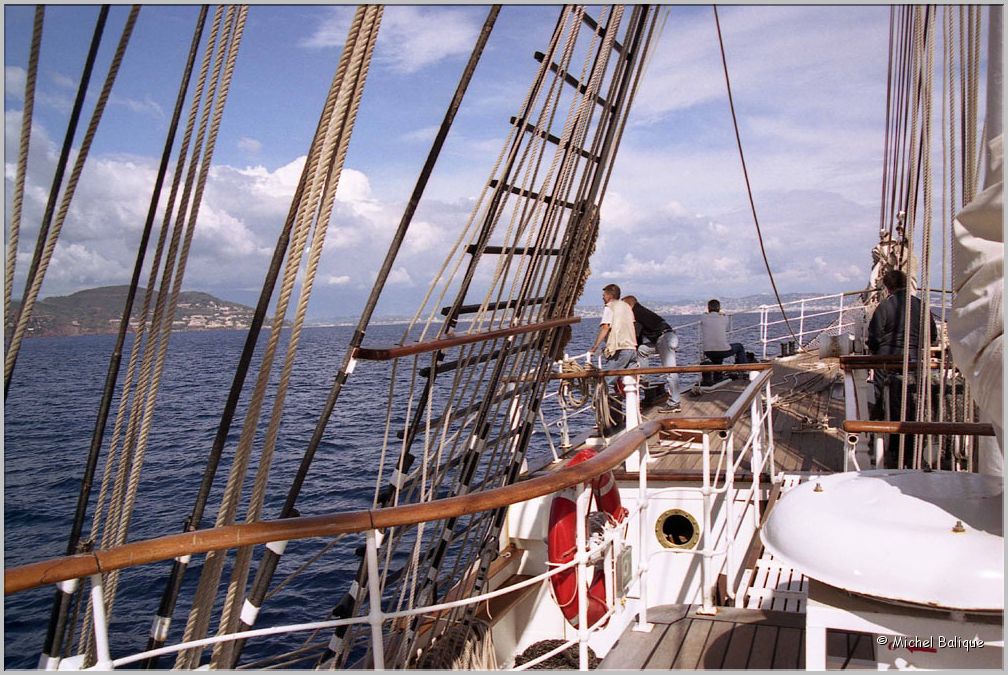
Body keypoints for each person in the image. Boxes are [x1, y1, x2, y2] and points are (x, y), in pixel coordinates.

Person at [867, 268, 937, 468]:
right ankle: (914, 445)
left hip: (887, 361)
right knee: (913, 399)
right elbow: (931, 336)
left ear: (888, 287)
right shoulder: (921, 306)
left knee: (883, 399)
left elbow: (875, 337)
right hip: (914, 361)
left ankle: (882, 436)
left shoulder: (884, 306)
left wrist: (874, 352)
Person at [623, 295, 681, 414]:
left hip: (665, 339)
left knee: (670, 371)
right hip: (664, 339)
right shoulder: (641, 311)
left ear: (629, 305)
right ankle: (644, 377)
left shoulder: (636, 313)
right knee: (642, 350)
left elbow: (636, 335)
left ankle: (675, 402)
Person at [589, 284, 637, 385]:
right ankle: (627, 400)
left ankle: (600, 399)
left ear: (610, 296)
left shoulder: (610, 307)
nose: (602, 297)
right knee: (630, 383)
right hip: (632, 348)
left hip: (621, 349)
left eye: (604, 295)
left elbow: (605, 327)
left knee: (604, 381)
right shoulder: (626, 306)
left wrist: (595, 346)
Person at [700, 299, 749, 365]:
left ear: (708, 308)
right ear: (719, 308)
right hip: (722, 351)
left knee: (717, 358)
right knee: (739, 346)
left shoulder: (703, 317)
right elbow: (725, 318)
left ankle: (717, 375)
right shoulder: (724, 318)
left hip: (708, 352)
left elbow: (704, 314)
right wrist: (721, 313)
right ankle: (744, 368)